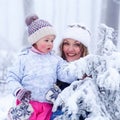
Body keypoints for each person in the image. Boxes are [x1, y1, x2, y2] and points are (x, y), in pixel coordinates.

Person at [6, 14, 80, 120]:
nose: (50, 43)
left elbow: (65, 74)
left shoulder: (55, 60)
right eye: (46, 40)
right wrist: (18, 90)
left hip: (47, 107)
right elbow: (12, 77)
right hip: (27, 106)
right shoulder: (24, 58)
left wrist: (80, 72)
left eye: (52, 41)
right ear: (35, 40)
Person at [47, 23, 91, 120]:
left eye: (77, 44)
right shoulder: (53, 68)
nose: (70, 49)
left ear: (84, 48)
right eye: (66, 43)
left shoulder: (89, 74)